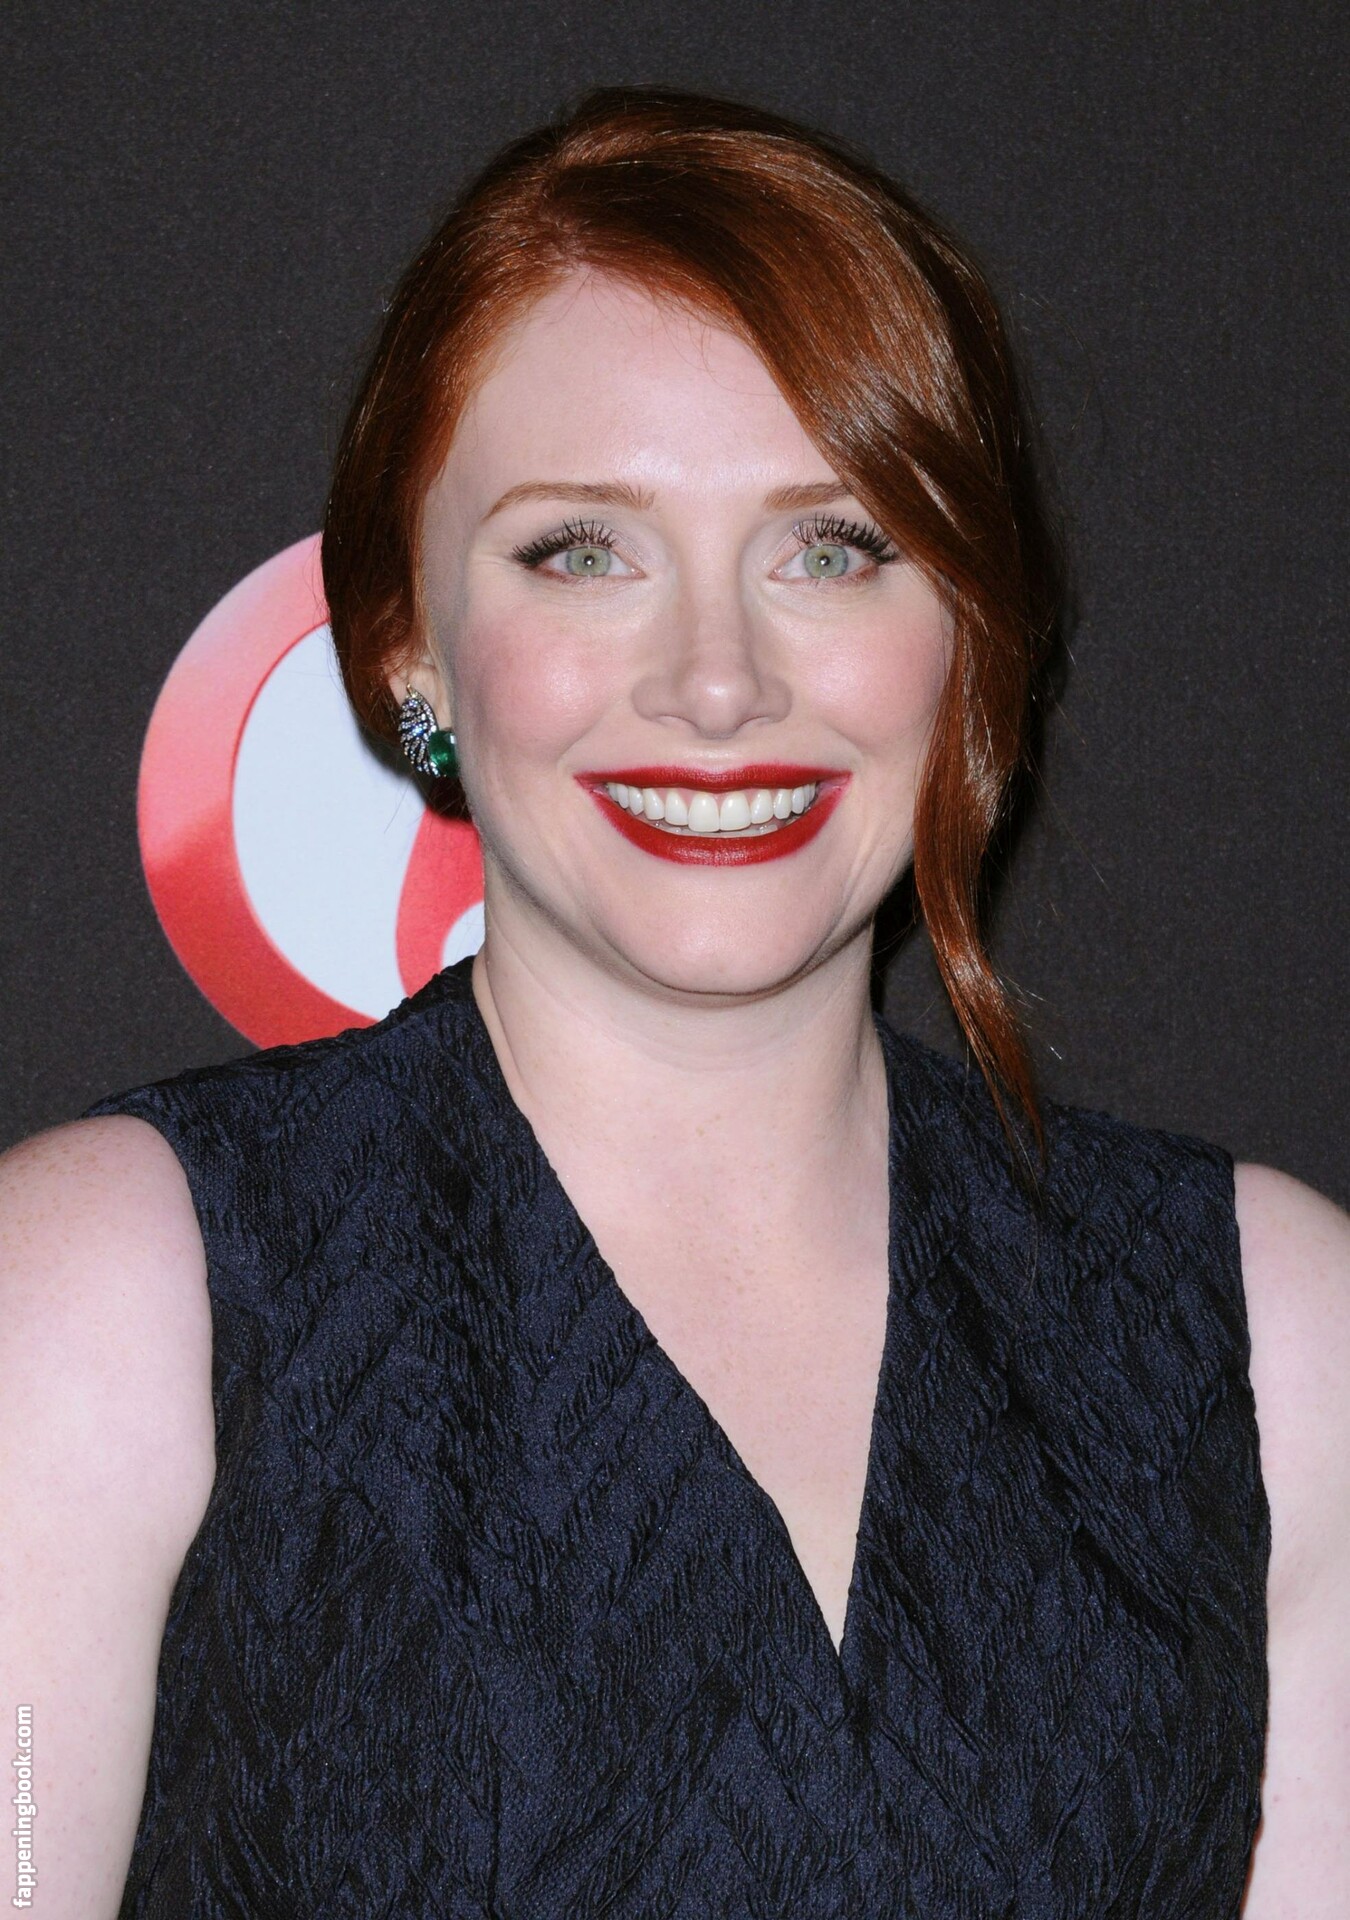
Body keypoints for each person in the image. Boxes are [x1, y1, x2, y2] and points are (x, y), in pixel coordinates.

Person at [1, 86, 1345, 1919]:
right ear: (406, 644)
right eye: (583, 550)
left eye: (831, 547)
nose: (718, 684)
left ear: (970, 636)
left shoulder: (1270, 1337)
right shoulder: (103, 1299)